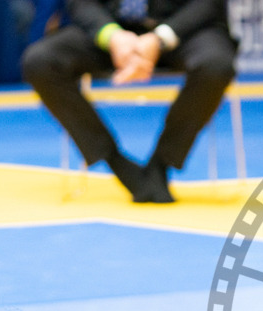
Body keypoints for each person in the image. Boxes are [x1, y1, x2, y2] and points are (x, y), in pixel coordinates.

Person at [20, 0, 238, 203]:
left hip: (182, 29)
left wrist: (159, 39)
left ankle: (161, 164)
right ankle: (117, 163)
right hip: (110, 29)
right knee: (40, 62)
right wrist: (113, 37)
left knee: (216, 65)